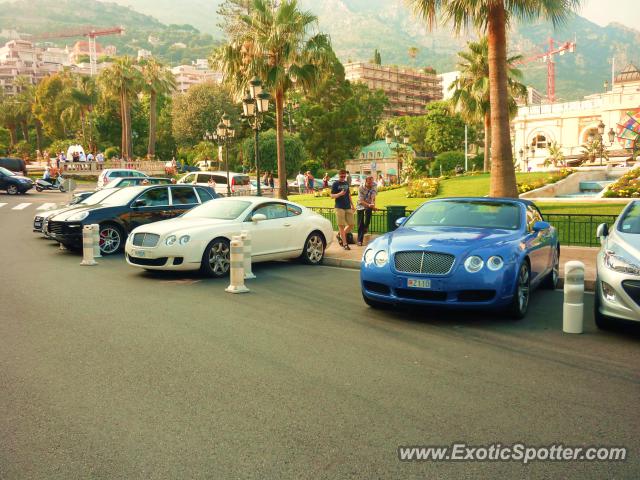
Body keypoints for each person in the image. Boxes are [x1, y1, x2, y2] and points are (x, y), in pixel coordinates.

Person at [331, 169, 355, 250]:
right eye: (341, 176)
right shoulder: (335, 184)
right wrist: (339, 194)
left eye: (344, 176)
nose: (343, 177)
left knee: (351, 224)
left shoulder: (346, 183)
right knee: (341, 226)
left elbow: (348, 195)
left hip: (347, 206)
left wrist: (352, 205)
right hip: (339, 206)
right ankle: (345, 244)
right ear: (339, 175)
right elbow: (331, 196)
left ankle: (339, 235)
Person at [356, 176, 376, 246]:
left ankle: (366, 227)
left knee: (368, 212)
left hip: (369, 203)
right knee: (360, 223)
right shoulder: (361, 188)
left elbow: (373, 196)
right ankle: (359, 240)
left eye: (372, 182)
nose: (371, 184)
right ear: (366, 181)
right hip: (361, 205)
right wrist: (369, 205)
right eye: (369, 183)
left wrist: (373, 204)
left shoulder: (374, 185)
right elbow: (361, 201)